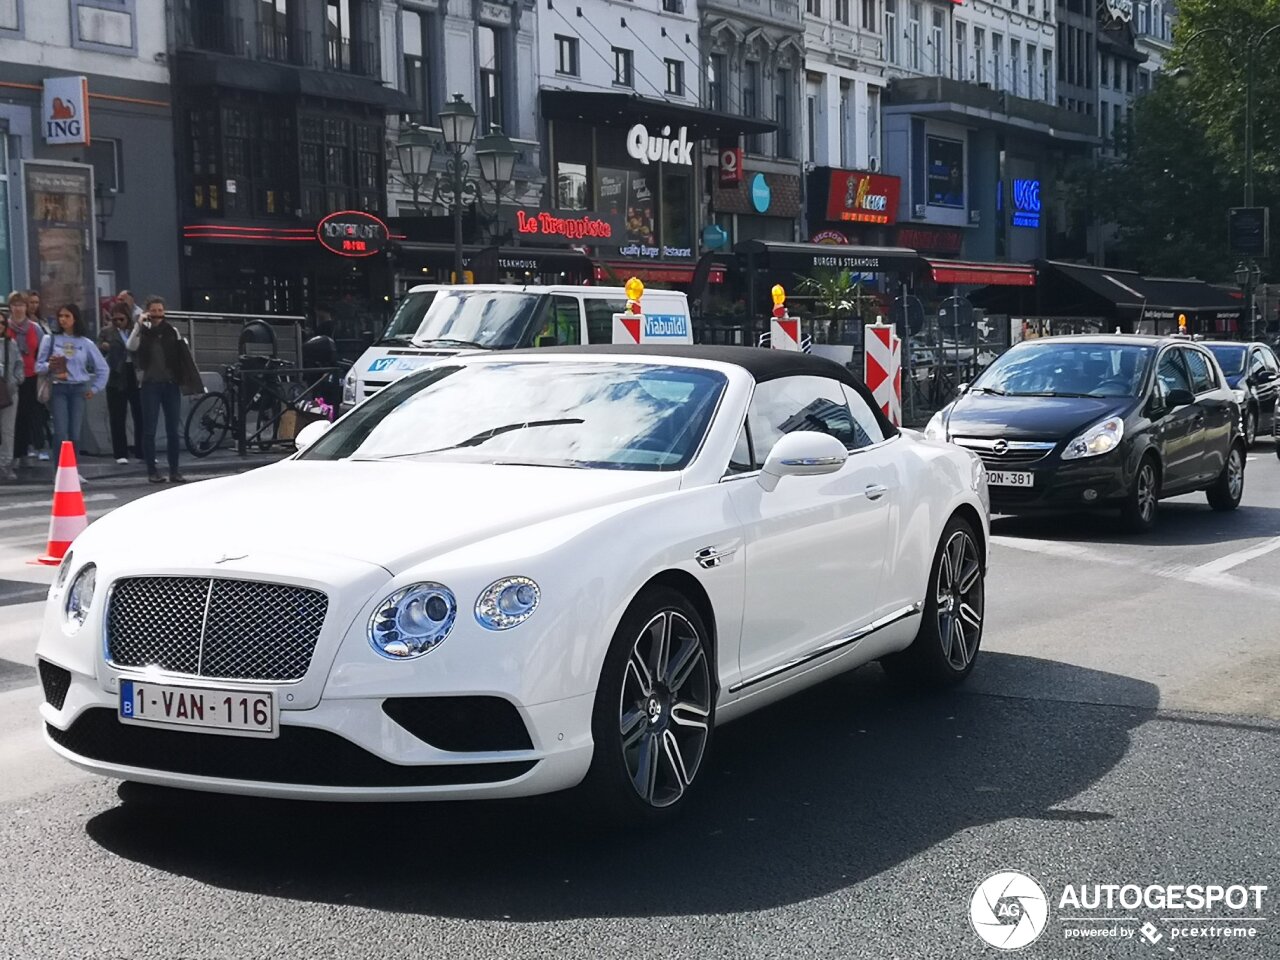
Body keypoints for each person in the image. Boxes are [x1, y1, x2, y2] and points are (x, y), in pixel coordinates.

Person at [128, 295, 200, 483]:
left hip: (170, 384)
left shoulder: (171, 331)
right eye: (153, 311)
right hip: (150, 384)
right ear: (147, 312)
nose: (157, 315)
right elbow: (131, 346)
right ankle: (152, 470)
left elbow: (183, 355)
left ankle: (174, 470)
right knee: (149, 429)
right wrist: (139, 325)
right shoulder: (142, 332)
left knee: (172, 429)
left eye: (160, 311)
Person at [35, 304, 107, 472]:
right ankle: (58, 471)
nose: (63, 320)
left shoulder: (85, 342)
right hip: (58, 387)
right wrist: (50, 365)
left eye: (67, 316)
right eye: (61, 316)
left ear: (75, 318)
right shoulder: (50, 339)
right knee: (61, 432)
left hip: (78, 388)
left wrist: (95, 388)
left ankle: (73, 471)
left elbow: (103, 368)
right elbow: (38, 367)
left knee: (75, 433)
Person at [99, 302, 144, 464]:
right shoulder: (106, 332)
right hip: (116, 374)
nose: (118, 322)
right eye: (115, 319)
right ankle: (120, 453)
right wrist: (105, 347)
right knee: (117, 415)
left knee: (140, 414)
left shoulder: (136, 330)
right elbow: (99, 351)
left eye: (121, 319)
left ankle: (141, 450)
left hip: (134, 371)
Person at [7, 292, 45, 465]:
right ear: (10, 308)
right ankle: (11, 454)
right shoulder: (5, 326)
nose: (18, 309)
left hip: (30, 375)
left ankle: (24, 452)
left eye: (21, 305)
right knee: (9, 418)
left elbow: (42, 350)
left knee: (26, 415)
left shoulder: (34, 328)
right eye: (15, 305)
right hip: (10, 378)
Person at [1, 303, 24, 481]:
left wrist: (15, 381)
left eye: (2, 323)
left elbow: (19, 367)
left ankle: (6, 466)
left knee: (8, 431)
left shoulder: (11, 344)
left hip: (8, 392)